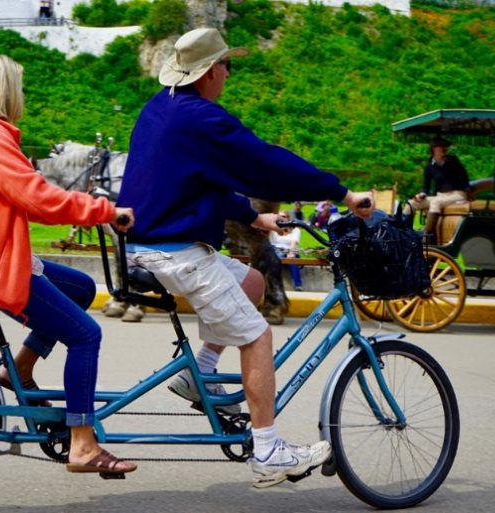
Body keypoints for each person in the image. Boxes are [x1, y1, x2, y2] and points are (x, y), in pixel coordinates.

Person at [115, 28, 374, 488]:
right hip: (174, 254)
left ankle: (203, 375)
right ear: (212, 71)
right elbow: (264, 161)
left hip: (147, 246)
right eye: (227, 66)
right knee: (257, 338)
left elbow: (199, 179)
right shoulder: (203, 119)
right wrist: (341, 192)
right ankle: (269, 449)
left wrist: (254, 219)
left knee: (252, 282)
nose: (229, 74)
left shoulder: (160, 109)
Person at [0, 53, 136, 476]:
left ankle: (19, 367)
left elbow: (25, 199)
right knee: (86, 335)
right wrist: (105, 210)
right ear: (1, 91)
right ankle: (84, 445)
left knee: (80, 288)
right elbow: (39, 197)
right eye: (19, 88)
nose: (23, 97)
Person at [404, 136, 470, 244]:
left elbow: (465, 177)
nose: (445, 148)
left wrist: (468, 191)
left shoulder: (453, 160)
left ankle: (426, 238)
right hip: (441, 196)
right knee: (410, 204)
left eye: (445, 146)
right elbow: (426, 187)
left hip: (457, 194)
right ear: (434, 148)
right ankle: (405, 235)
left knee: (435, 202)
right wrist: (421, 195)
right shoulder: (429, 166)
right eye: (442, 146)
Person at [269, 211, 303, 291]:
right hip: (277, 251)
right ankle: (274, 286)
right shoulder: (274, 230)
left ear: (288, 218)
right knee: (274, 259)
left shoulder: (295, 230)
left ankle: (298, 285)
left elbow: (293, 242)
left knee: (293, 260)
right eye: (279, 216)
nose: (281, 218)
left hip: (290, 251)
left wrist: (290, 253)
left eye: (284, 216)